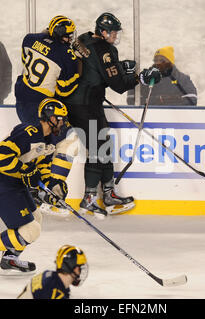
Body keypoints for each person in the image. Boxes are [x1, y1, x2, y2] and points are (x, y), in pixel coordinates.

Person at [62, 12, 162, 219]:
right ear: (104, 31)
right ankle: (89, 199)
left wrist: (116, 69)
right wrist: (139, 77)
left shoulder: (84, 39)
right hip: (86, 104)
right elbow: (118, 85)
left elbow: (95, 69)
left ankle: (108, 193)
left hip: (79, 101)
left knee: (104, 144)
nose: (116, 35)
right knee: (98, 148)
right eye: (113, 32)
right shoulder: (105, 50)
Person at [0, 98, 79, 277]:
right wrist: (25, 169)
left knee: (36, 217)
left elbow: (41, 172)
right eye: (59, 118)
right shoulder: (29, 131)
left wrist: (51, 191)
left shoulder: (48, 142)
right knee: (30, 230)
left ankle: (10, 257)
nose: (62, 123)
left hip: (13, 182)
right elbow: (1, 156)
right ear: (49, 117)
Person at [15, 15, 80, 125]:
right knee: (45, 137)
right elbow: (64, 91)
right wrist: (78, 61)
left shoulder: (29, 38)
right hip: (40, 105)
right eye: (68, 36)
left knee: (29, 133)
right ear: (60, 35)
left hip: (21, 96)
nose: (70, 39)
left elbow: (24, 60)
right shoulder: (67, 56)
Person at [127, 46, 197, 106]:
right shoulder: (146, 77)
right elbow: (131, 99)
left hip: (176, 119)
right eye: (156, 60)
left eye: (162, 60)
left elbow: (192, 100)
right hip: (148, 117)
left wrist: (163, 101)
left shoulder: (182, 79)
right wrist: (161, 99)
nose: (158, 63)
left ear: (170, 62)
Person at [17, 245, 88, 299]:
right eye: (79, 268)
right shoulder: (55, 293)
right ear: (71, 267)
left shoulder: (49, 275)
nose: (80, 272)